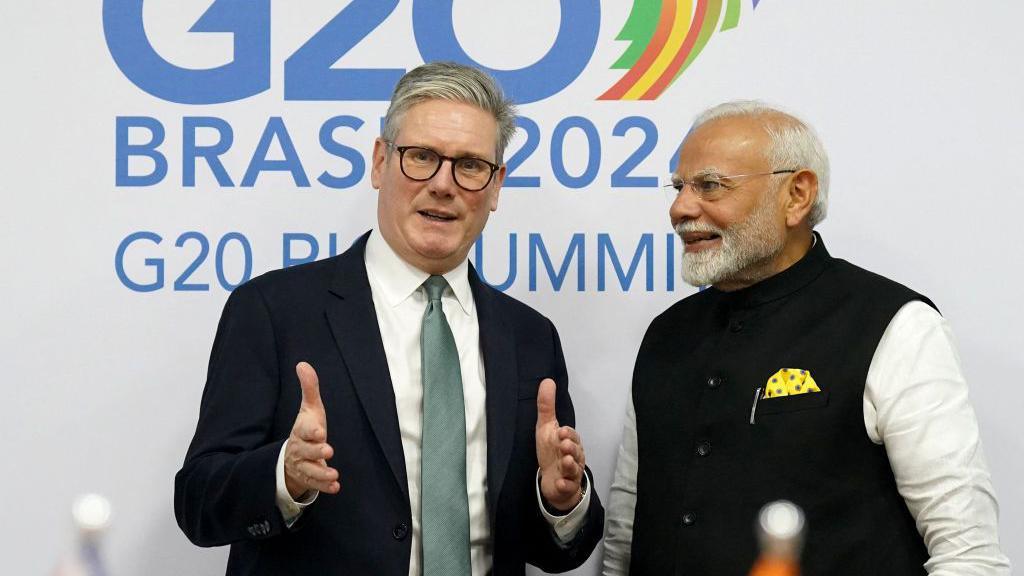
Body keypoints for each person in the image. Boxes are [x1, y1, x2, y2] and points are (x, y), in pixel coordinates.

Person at [174, 62, 603, 576]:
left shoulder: (531, 336)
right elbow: (199, 501)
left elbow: (555, 549)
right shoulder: (273, 311)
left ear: (495, 188)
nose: (443, 185)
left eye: (469, 166)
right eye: (421, 157)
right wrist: (283, 476)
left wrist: (560, 502)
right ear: (380, 162)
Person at [602, 101, 1010, 575]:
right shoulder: (665, 336)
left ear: (796, 195)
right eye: (679, 188)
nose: (680, 208)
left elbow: (969, 554)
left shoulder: (895, 325)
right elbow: (625, 537)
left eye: (710, 186)